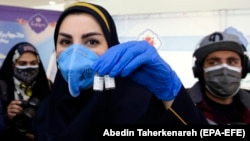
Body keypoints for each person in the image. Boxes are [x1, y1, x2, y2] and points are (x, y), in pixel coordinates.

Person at [33, 1, 207, 141]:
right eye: (66, 42)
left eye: (92, 41)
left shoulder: (138, 103)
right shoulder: (47, 109)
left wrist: (171, 94)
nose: (75, 53)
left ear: (111, 45)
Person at [188, 27, 250, 125]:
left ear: (244, 67)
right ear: (200, 70)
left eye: (232, 61)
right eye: (213, 62)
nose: (224, 69)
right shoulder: (181, 105)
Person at [0, 42, 51, 140]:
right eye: (22, 63)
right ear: (13, 65)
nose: (29, 67)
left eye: (33, 63)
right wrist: (7, 117)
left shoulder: (47, 87)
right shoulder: (2, 87)